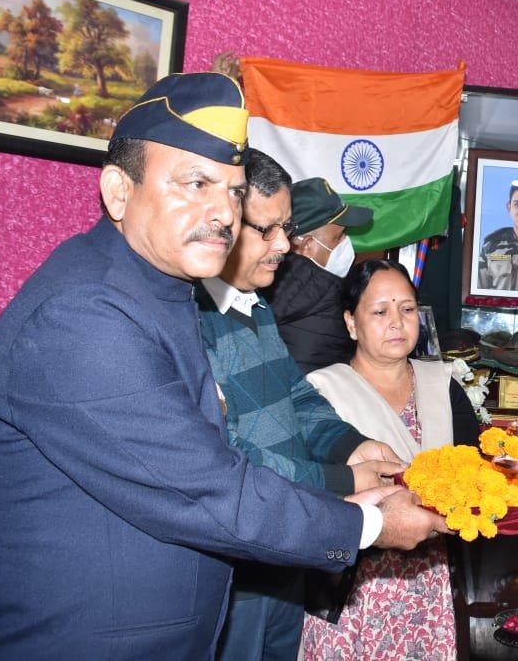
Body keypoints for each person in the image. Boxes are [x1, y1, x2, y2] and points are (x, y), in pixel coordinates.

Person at [0, 72, 445, 659]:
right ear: (118, 192)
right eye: (195, 183)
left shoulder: (158, 288)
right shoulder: (84, 314)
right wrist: (369, 525)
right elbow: (208, 489)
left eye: (232, 191)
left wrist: (348, 454)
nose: (223, 213)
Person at [195, 151, 392, 660]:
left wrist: (352, 446)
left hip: (285, 555)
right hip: (234, 571)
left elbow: (298, 397)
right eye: (267, 230)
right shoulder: (189, 319)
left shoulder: (255, 305)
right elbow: (230, 456)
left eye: (286, 228)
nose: (284, 245)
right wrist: (344, 481)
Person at [302, 259, 480, 660]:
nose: (397, 322)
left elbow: (476, 475)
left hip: (429, 585)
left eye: (407, 309)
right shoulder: (320, 394)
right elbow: (308, 494)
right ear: (351, 323)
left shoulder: (442, 385)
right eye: (380, 312)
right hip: (351, 592)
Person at [263, 177, 374, 374]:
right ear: (307, 246)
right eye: (338, 237)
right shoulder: (328, 293)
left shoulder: (261, 286)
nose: (346, 243)